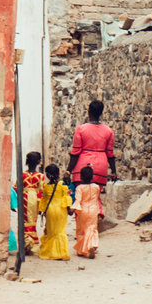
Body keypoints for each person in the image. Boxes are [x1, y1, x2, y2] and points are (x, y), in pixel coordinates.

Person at [67, 99, 117, 260]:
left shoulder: (81, 129)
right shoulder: (108, 131)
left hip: (82, 165)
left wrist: (69, 170)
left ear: (89, 111)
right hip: (101, 165)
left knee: (80, 200)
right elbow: (110, 153)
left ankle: (83, 239)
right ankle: (93, 231)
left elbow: (75, 152)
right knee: (94, 198)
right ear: (101, 112)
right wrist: (114, 171)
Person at [19, 152, 49, 255]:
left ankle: (26, 242)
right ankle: (30, 242)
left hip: (24, 198)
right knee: (32, 220)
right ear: (39, 162)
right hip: (35, 199)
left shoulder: (22, 174)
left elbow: (16, 187)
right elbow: (42, 190)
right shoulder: (40, 176)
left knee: (25, 221)